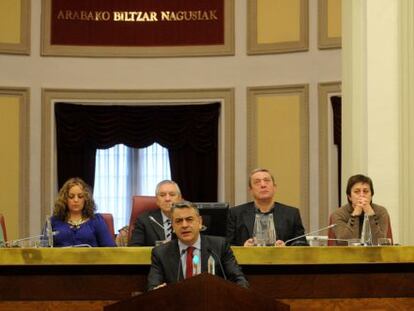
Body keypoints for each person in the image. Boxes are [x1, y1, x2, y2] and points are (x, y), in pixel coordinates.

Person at [147, 201, 249, 291]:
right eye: (178, 221)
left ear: (200, 222)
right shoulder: (161, 253)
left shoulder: (219, 246)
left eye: (189, 219)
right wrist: (156, 290)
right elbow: (153, 287)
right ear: (173, 226)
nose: (184, 225)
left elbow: (239, 280)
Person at [226, 168, 307, 246]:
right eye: (257, 182)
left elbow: (301, 244)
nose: (263, 185)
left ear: (274, 187)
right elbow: (226, 246)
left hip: (281, 259)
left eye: (267, 181)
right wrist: (243, 248)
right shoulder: (235, 214)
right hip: (246, 260)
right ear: (251, 190)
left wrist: (285, 249)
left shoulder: (291, 213)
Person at [51, 177, 116, 247]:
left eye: (80, 196)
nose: (76, 200)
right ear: (64, 199)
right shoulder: (54, 221)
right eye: (71, 196)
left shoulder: (96, 220)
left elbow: (110, 249)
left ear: (86, 199)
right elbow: (43, 249)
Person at [330, 174, 391, 245]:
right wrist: (355, 215)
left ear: (371, 196)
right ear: (349, 197)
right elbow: (344, 242)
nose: (362, 195)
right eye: (357, 191)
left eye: (365, 191)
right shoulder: (339, 214)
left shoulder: (381, 211)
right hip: (347, 255)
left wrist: (371, 215)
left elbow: (380, 242)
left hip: (375, 255)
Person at [128, 180, 182, 246]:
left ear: (179, 198)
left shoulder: (189, 219)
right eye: (162, 195)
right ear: (157, 200)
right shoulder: (144, 220)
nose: (167, 199)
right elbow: (134, 248)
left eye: (172, 195)